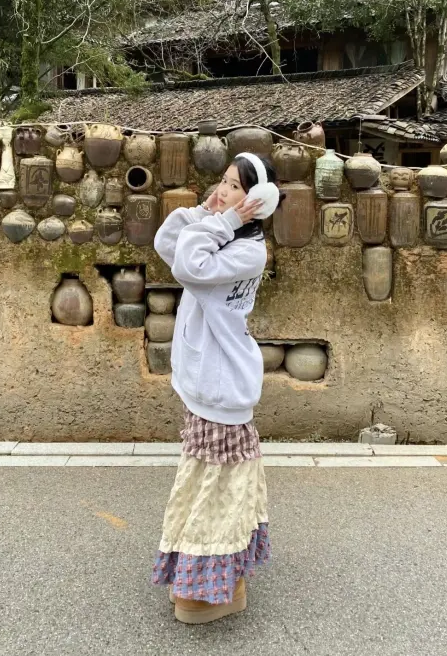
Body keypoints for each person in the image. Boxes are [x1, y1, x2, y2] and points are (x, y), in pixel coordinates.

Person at [151, 151, 282, 624]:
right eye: (222, 181)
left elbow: (188, 265)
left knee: (218, 493)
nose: (223, 191)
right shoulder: (224, 234)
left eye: (235, 187)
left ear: (259, 201)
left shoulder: (248, 251)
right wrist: (206, 214)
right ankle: (200, 581)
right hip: (207, 381)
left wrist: (220, 224)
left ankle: (209, 587)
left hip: (223, 382)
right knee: (205, 485)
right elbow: (169, 242)